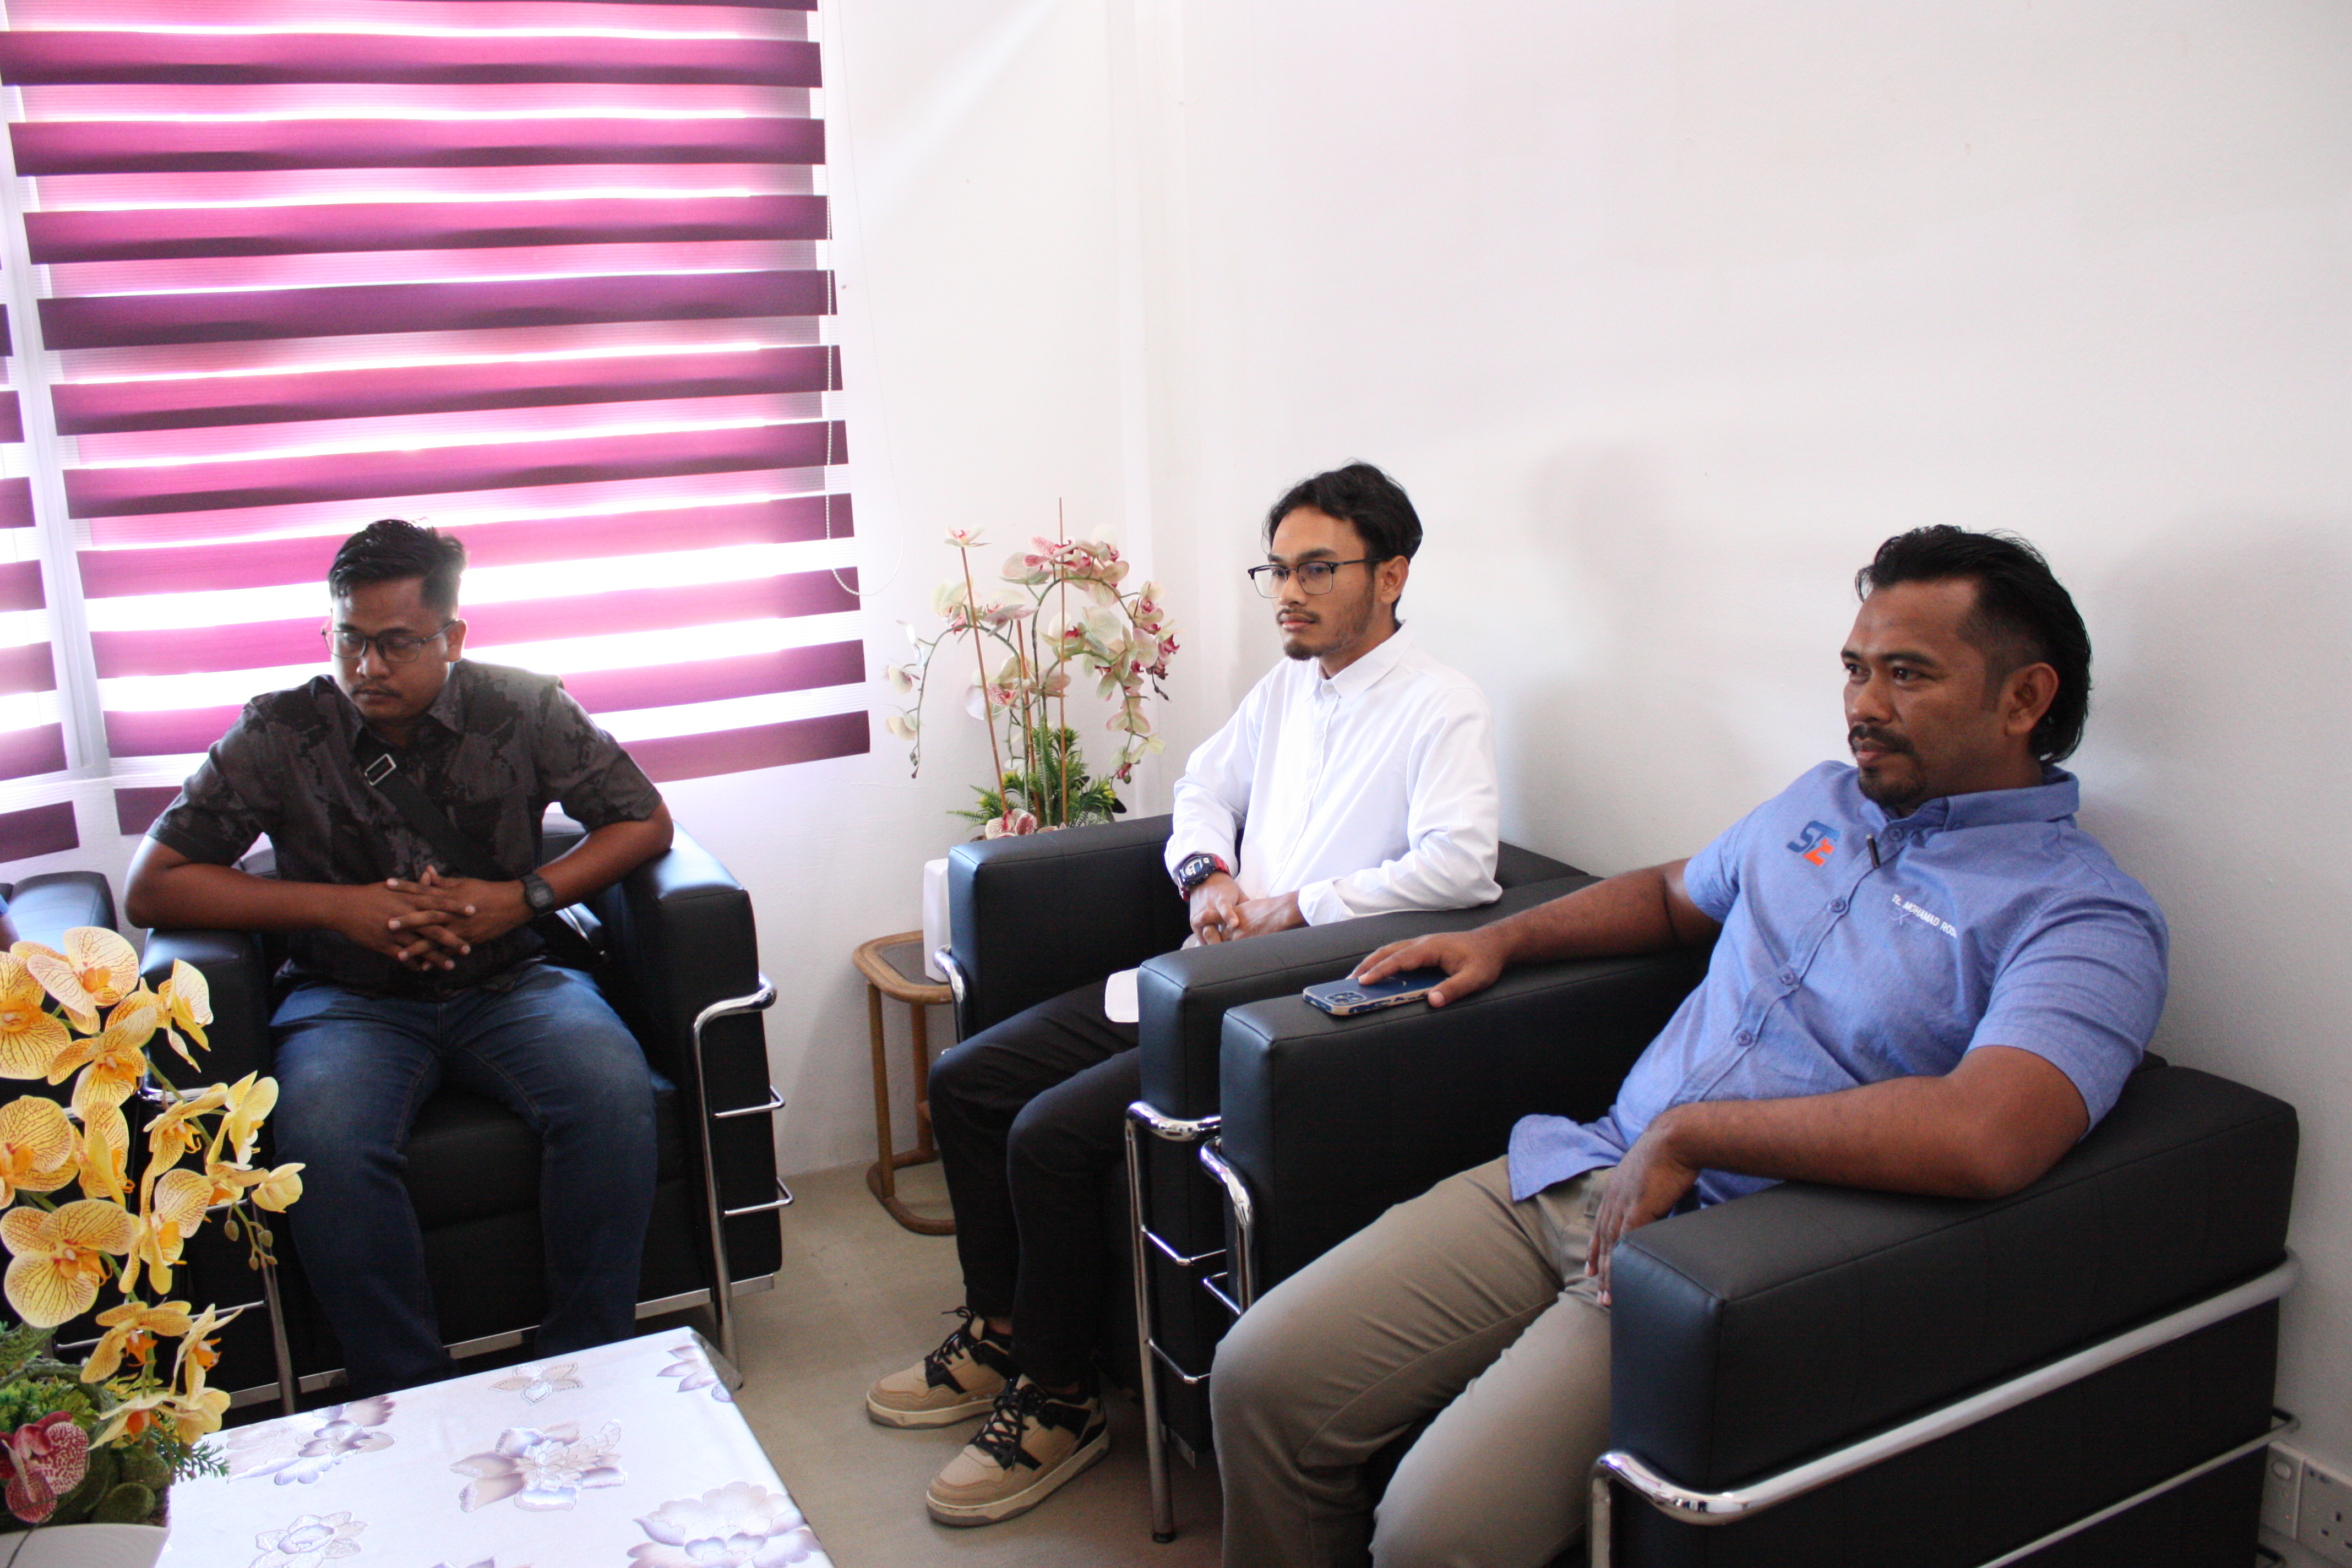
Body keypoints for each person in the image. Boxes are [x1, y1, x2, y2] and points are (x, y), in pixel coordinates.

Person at [1211, 526, 2169, 1568]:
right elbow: (1675, 895)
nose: (1863, 704)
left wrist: (1697, 1135)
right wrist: (1503, 940)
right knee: (1260, 1373)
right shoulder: (1820, 802)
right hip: (1580, 1166)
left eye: (1908, 675)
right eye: (1855, 669)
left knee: (1435, 1536)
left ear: (2025, 699)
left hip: (1714, 1263)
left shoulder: (2082, 916)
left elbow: (1991, 1132)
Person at [869, 462, 1505, 1527]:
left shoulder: (1441, 706)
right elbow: (1204, 787)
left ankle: (1061, 1403)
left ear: (1391, 575)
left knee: (1047, 1135)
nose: (1287, 593)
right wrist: (1208, 874)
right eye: (1277, 570)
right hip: (1192, 973)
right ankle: (1002, 1333)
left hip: (1279, 1011)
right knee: (967, 1081)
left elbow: (1462, 866)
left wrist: (1295, 909)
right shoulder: (1288, 689)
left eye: (1316, 570)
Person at [124, 518, 673, 1398]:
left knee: (611, 1095)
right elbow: (153, 886)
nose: (367, 667)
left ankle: (585, 1362)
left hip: (511, 981)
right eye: (349, 638)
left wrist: (522, 897)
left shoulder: (524, 707)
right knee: (327, 1146)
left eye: (396, 643)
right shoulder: (281, 730)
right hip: (347, 999)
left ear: (452, 636)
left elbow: (644, 821)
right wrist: (341, 910)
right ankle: (410, 1395)